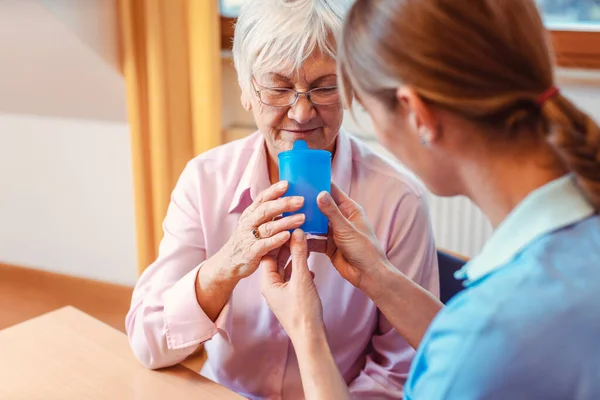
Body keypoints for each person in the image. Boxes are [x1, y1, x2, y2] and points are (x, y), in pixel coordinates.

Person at [260, 0, 600, 399]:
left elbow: (478, 352)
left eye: (367, 112)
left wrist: (306, 332)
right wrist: (379, 277)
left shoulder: (486, 336)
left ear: (417, 113)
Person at [125, 0, 439, 398]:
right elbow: (148, 341)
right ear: (247, 91)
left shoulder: (397, 199)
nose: (302, 111)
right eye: (278, 87)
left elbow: (399, 374)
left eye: (324, 87)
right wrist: (226, 265)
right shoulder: (204, 181)